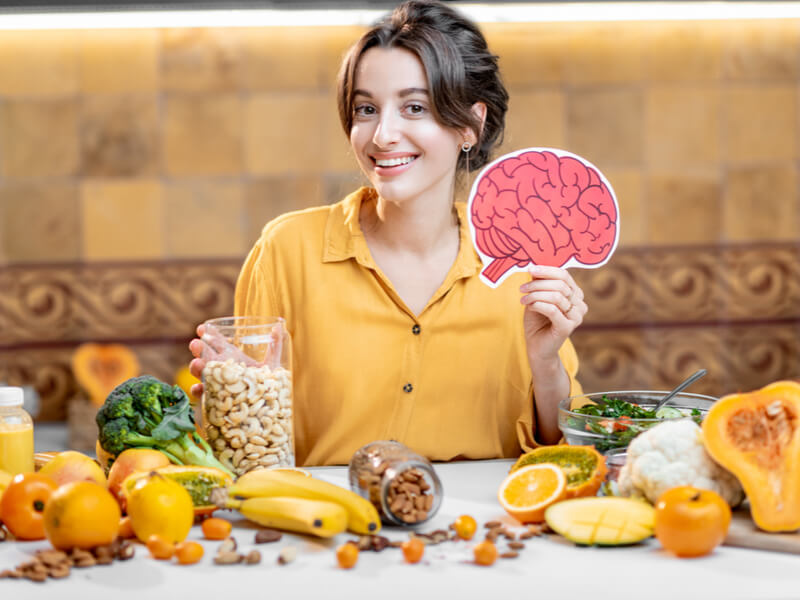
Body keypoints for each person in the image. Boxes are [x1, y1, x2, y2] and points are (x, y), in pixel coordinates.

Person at [190, 0, 587, 467]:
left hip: (487, 512)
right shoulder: (287, 250)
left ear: (471, 125)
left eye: (414, 107)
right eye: (366, 109)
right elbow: (252, 450)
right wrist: (236, 402)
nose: (382, 135)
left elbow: (569, 456)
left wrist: (545, 362)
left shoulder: (521, 262)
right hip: (331, 511)